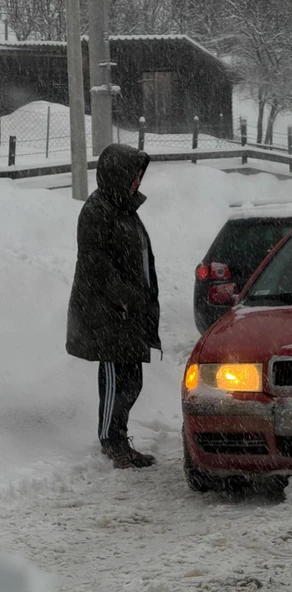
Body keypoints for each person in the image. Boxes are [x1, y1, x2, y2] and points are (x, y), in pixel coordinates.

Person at [66, 144, 161, 469]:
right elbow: (96, 266)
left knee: (132, 381)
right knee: (115, 380)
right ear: (118, 175)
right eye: (134, 175)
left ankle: (119, 438)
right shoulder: (97, 211)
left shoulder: (124, 209)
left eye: (139, 176)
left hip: (128, 312)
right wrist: (124, 297)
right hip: (108, 314)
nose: (138, 181)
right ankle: (111, 441)